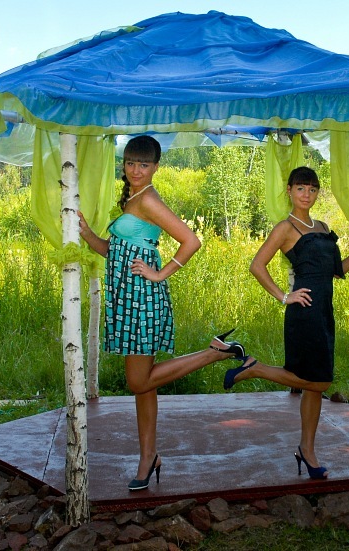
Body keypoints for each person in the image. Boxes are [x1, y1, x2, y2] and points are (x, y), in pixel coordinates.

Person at [78, 135, 245, 491]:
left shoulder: (149, 199)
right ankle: (148, 457)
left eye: (143, 164)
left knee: (139, 382)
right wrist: (87, 234)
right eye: (130, 163)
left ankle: (214, 353)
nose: (135, 170)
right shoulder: (134, 197)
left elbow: (191, 240)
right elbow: (115, 250)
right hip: (128, 297)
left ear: (155, 167)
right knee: (145, 387)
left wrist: (159, 273)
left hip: (141, 298)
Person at [223, 166, 349, 480]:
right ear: (289, 191)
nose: (306, 195)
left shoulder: (323, 226)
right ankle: (256, 368)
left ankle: (307, 451)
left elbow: (337, 271)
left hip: (324, 311)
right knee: (319, 382)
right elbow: (257, 266)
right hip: (304, 312)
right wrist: (284, 296)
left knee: (313, 385)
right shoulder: (285, 228)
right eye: (301, 188)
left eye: (312, 189)